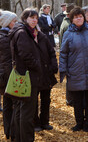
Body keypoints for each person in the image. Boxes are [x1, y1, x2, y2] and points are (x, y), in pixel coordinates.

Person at [59, 7, 88, 132]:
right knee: (77, 101)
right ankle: (79, 122)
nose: (79, 19)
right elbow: (63, 53)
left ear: (84, 18)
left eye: (80, 16)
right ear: (72, 19)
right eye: (76, 17)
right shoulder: (68, 33)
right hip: (75, 70)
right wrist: (63, 69)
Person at [9, 8, 42, 142]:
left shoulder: (22, 31)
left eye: (36, 18)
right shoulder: (23, 33)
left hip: (22, 75)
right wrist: (38, 66)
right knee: (27, 112)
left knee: (20, 109)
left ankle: (18, 137)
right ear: (24, 18)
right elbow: (25, 55)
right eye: (31, 17)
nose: (34, 20)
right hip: (27, 77)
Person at [34, 25, 58, 132]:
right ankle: (35, 123)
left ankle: (45, 122)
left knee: (46, 99)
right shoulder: (26, 38)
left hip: (46, 73)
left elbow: (52, 52)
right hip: (34, 75)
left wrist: (54, 66)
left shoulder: (43, 37)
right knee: (34, 101)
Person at [0, 10, 17, 140]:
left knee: (7, 103)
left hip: (6, 74)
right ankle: (11, 130)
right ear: (7, 22)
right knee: (10, 104)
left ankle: (9, 131)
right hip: (6, 75)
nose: (15, 23)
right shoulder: (5, 38)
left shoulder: (8, 35)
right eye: (13, 21)